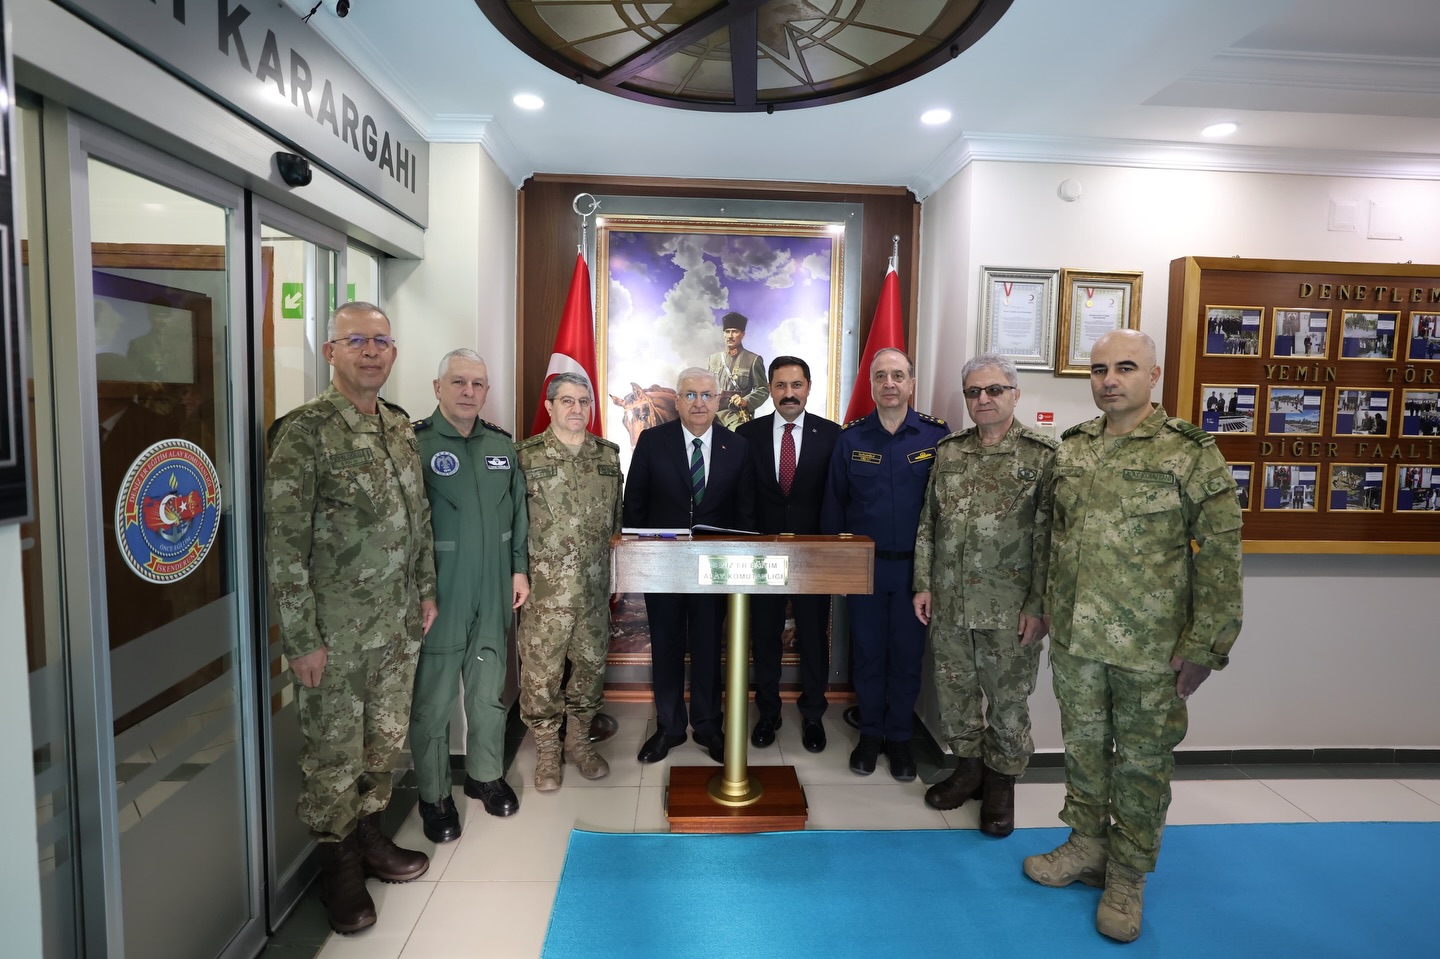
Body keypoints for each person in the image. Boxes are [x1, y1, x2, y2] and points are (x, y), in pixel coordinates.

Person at [1023, 329, 1242, 944]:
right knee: (1084, 751)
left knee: (1143, 765)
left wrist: (1206, 645)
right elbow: (1052, 539)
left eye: (1124, 368)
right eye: (1099, 370)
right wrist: (1042, 607)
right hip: (1077, 639)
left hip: (1150, 647)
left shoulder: (1190, 454)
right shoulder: (1073, 449)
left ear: (1153, 375)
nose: (1109, 380)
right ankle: (1087, 846)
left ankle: (1127, 875)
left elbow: (1220, 555)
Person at [264, 302, 437, 934]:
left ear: (393, 352)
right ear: (330, 351)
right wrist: (300, 639)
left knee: (382, 742)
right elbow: (284, 547)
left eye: (381, 341)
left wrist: (426, 591)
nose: (370, 351)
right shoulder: (304, 431)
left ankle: (370, 838)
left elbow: (418, 520)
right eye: (356, 340)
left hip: (397, 624)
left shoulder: (398, 426)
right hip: (335, 634)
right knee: (333, 753)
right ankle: (337, 869)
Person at [912, 352, 1056, 837]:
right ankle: (968, 769)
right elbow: (929, 523)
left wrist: (1039, 605)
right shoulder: (950, 451)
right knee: (955, 693)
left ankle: (1001, 782)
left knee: (1008, 701)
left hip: (1009, 609)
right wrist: (923, 583)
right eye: (974, 392)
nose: (984, 399)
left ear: (1015, 394)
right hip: (951, 602)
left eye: (994, 389)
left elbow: (1050, 539)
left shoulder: (1042, 456)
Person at [408, 350, 529, 843]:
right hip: (442, 589)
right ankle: (435, 795)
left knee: (487, 690)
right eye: (458, 382)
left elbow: (518, 512)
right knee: (434, 700)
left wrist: (519, 570)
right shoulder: (414, 444)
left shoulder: (501, 445)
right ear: (437, 387)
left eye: (478, 384)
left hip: (494, 585)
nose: (468, 391)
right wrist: (420, 589)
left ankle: (485, 775)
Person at [821, 348, 948, 781]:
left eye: (897, 375)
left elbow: (946, 508)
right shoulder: (851, 438)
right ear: (871, 385)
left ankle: (900, 739)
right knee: (868, 654)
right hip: (866, 568)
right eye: (880, 376)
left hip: (917, 571)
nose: (889, 383)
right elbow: (834, 506)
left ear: (912, 383)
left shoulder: (935, 436)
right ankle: (870, 735)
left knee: (908, 657)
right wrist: (838, 568)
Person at [623, 367, 756, 764]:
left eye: (707, 395)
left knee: (708, 645)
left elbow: (746, 513)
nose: (699, 403)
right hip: (662, 566)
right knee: (665, 646)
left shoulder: (738, 447)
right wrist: (638, 559)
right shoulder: (652, 442)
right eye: (691, 395)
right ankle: (669, 727)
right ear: (678, 401)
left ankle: (708, 724)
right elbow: (635, 503)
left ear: (718, 401)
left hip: (715, 568)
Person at [515, 372, 624, 791]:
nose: (577, 408)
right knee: (541, 675)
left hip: (593, 590)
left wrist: (616, 576)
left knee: (591, 669)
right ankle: (547, 749)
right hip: (544, 594)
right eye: (567, 401)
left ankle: (579, 743)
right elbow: (512, 524)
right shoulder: (525, 457)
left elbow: (617, 522)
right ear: (549, 406)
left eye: (584, 401)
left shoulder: (608, 456)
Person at [736, 355, 840, 753]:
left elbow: (836, 496)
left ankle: (813, 714)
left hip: (814, 555)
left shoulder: (831, 435)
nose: (789, 393)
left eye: (796, 385)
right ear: (770, 390)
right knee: (765, 637)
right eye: (780, 386)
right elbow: (743, 497)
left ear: (809, 387)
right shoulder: (747, 435)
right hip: (764, 555)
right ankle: (768, 713)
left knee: (813, 637)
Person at [706, 312, 768, 430]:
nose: (730, 336)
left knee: (739, 433)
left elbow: (763, 390)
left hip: (736, 414)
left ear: (742, 334)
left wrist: (745, 401)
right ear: (724, 334)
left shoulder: (753, 360)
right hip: (712, 412)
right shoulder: (713, 360)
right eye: (727, 331)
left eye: (735, 331)